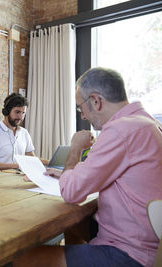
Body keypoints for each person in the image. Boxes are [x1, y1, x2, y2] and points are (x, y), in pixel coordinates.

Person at [13, 67, 162, 267]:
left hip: (130, 252)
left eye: (80, 107)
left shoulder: (119, 130)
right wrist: (68, 173)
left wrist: (75, 149)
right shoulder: (147, 123)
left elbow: (71, 193)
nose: (82, 115)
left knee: (23, 259)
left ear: (95, 101)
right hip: (150, 240)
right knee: (75, 225)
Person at [0, 93, 46, 171]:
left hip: (21, 178)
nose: (21, 117)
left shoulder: (24, 133)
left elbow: (32, 159)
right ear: (6, 111)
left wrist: (50, 163)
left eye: (23, 113)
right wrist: (16, 166)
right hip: (0, 179)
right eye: (17, 112)